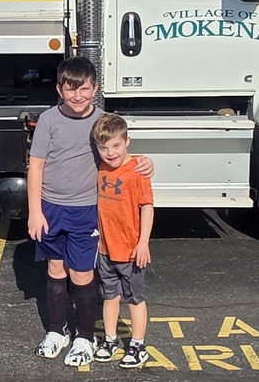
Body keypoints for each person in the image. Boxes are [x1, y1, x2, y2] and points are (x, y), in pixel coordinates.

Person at [27, 56, 152, 367]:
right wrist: (34, 212)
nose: (78, 96)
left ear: (95, 89)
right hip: (50, 208)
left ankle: (86, 335)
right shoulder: (48, 121)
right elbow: (36, 166)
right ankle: (58, 331)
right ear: (59, 90)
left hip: (86, 210)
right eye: (71, 90)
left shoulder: (102, 120)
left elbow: (117, 152)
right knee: (55, 269)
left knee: (82, 273)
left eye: (84, 89)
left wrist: (143, 160)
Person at [91, 113, 154, 369]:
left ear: (128, 141)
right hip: (105, 249)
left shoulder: (137, 170)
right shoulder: (100, 168)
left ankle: (138, 345)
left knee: (135, 299)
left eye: (116, 145)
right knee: (109, 296)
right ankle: (110, 339)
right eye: (103, 148)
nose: (110, 153)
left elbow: (147, 207)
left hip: (131, 251)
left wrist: (143, 242)